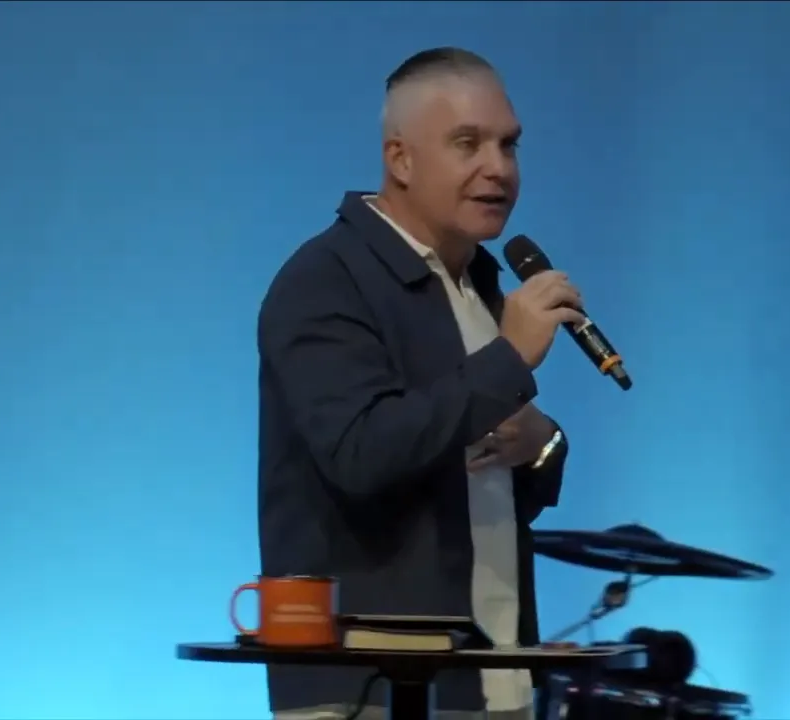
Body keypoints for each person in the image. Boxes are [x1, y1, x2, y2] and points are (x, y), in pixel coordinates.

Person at [256, 47, 587, 720]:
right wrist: (508, 362)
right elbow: (362, 453)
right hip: (370, 687)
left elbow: (481, 479)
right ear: (400, 158)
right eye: (468, 143)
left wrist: (544, 444)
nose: (498, 168)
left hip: (494, 671)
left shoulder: (483, 284)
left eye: (509, 145)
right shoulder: (325, 280)